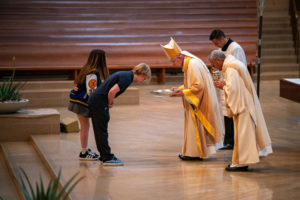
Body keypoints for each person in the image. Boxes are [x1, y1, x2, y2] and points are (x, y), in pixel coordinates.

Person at [161, 37, 224, 161]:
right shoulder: (190, 63)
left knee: (195, 126)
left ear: (179, 57)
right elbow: (193, 84)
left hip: (200, 102)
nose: (173, 65)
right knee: (193, 126)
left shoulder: (192, 65)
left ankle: (194, 154)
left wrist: (183, 92)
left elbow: (198, 86)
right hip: (200, 99)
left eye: (173, 61)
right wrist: (180, 89)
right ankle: (192, 152)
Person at [209, 50, 273, 171]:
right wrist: (225, 84)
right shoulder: (233, 63)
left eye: (213, 64)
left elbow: (232, 89)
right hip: (244, 101)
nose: (214, 67)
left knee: (244, 134)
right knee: (243, 134)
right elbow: (236, 85)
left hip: (242, 105)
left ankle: (241, 163)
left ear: (219, 60)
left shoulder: (231, 68)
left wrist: (222, 85)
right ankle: (240, 161)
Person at [88, 63, 151, 166]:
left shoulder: (125, 74)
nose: (143, 80)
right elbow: (112, 92)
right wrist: (109, 102)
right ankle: (107, 158)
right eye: (144, 78)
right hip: (99, 101)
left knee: (100, 130)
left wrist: (108, 101)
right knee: (102, 131)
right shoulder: (127, 78)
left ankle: (104, 155)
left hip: (96, 100)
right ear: (142, 74)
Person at [209, 29, 247, 150]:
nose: (216, 46)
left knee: (232, 111)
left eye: (216, 43)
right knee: (226, 112)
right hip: (225, 85)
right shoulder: (221, 50)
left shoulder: (235, 49)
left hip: (234, 86)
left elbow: (239, 69)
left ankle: (234, 141)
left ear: (222, 39)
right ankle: (229, 140)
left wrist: (227, 82)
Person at [68, 49, 110, 160]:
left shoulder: (86, 69)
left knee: (85, 127)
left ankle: (84, 150)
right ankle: (83, 152)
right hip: (81, 103)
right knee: (85, 127)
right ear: (101, 59)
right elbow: (92, 92)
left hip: (78, 101)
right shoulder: (93, 73)